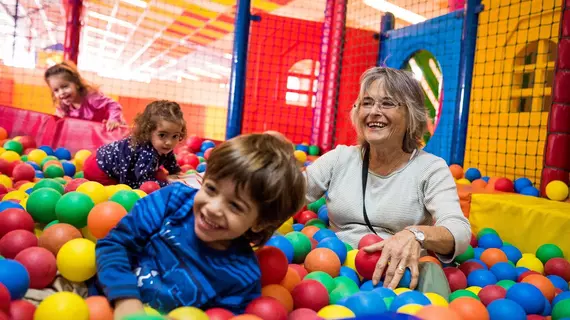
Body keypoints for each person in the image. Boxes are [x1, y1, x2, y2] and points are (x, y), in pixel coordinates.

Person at [93, 133, 306, 317]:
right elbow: (115, 244)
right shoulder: (172, 201)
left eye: (235, 206)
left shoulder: (241, 277)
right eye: (212, 189)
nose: (213, 208)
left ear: (260, 222)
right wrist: (125, 301)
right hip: (102, 301)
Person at [304, 67, 471, 298]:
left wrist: (415, 235)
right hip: (332, 270)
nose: (374, 112)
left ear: (411, 114)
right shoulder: (339, 158)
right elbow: (290, 194)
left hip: (395, 277)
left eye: (387, 103)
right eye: (367, 102)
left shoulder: (430, 168)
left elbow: (459, 231)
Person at [83, 100, 186, 189]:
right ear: (149, 131)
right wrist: (168, 184)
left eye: (175, 136)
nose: (169, 142)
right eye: (162, 135)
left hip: (99, 159)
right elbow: (143, 184)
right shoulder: (147, 153)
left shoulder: (163, 146)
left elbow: (169, 160)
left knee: (155, 172)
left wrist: (175, 172)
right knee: (118, 192)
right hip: (98, 169)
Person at [44, 61, 125, 131]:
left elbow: (113, 105)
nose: (61, 92)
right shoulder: (63, 106)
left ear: (76, 83)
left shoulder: (91, 97)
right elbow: (58, 120)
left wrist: (114, 119)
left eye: (65, 87)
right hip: (93, 133)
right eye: (56, 90)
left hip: (112, 129)